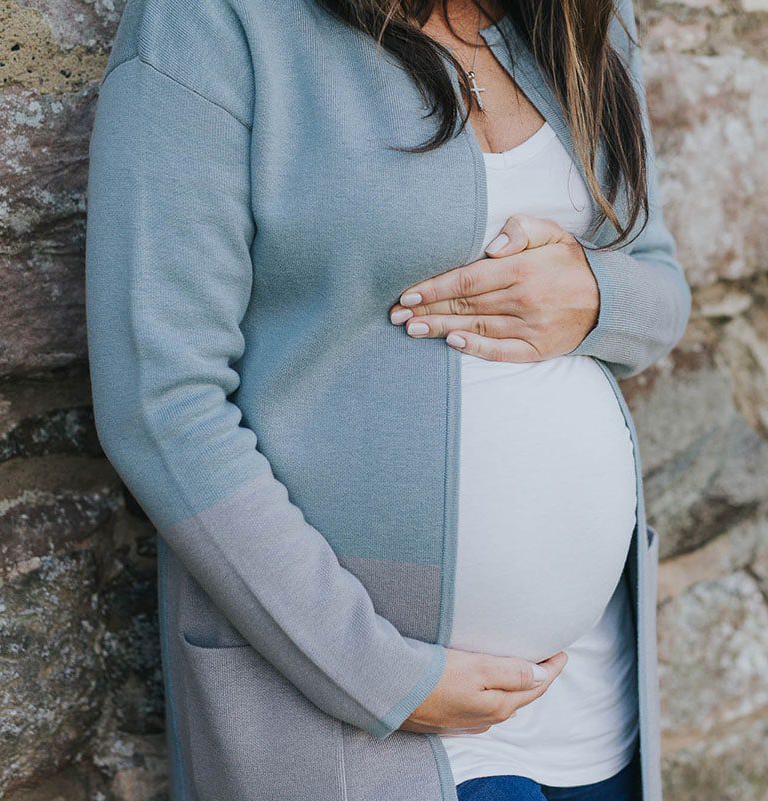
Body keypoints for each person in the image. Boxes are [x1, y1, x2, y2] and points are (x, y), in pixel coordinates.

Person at [83, 0, 690, 799]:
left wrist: (594, 293)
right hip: (361, 716)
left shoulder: (581, 19)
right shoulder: (215, 21)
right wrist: (377, 674)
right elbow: (160, 403)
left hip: (591, 698)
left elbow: (659, 288)